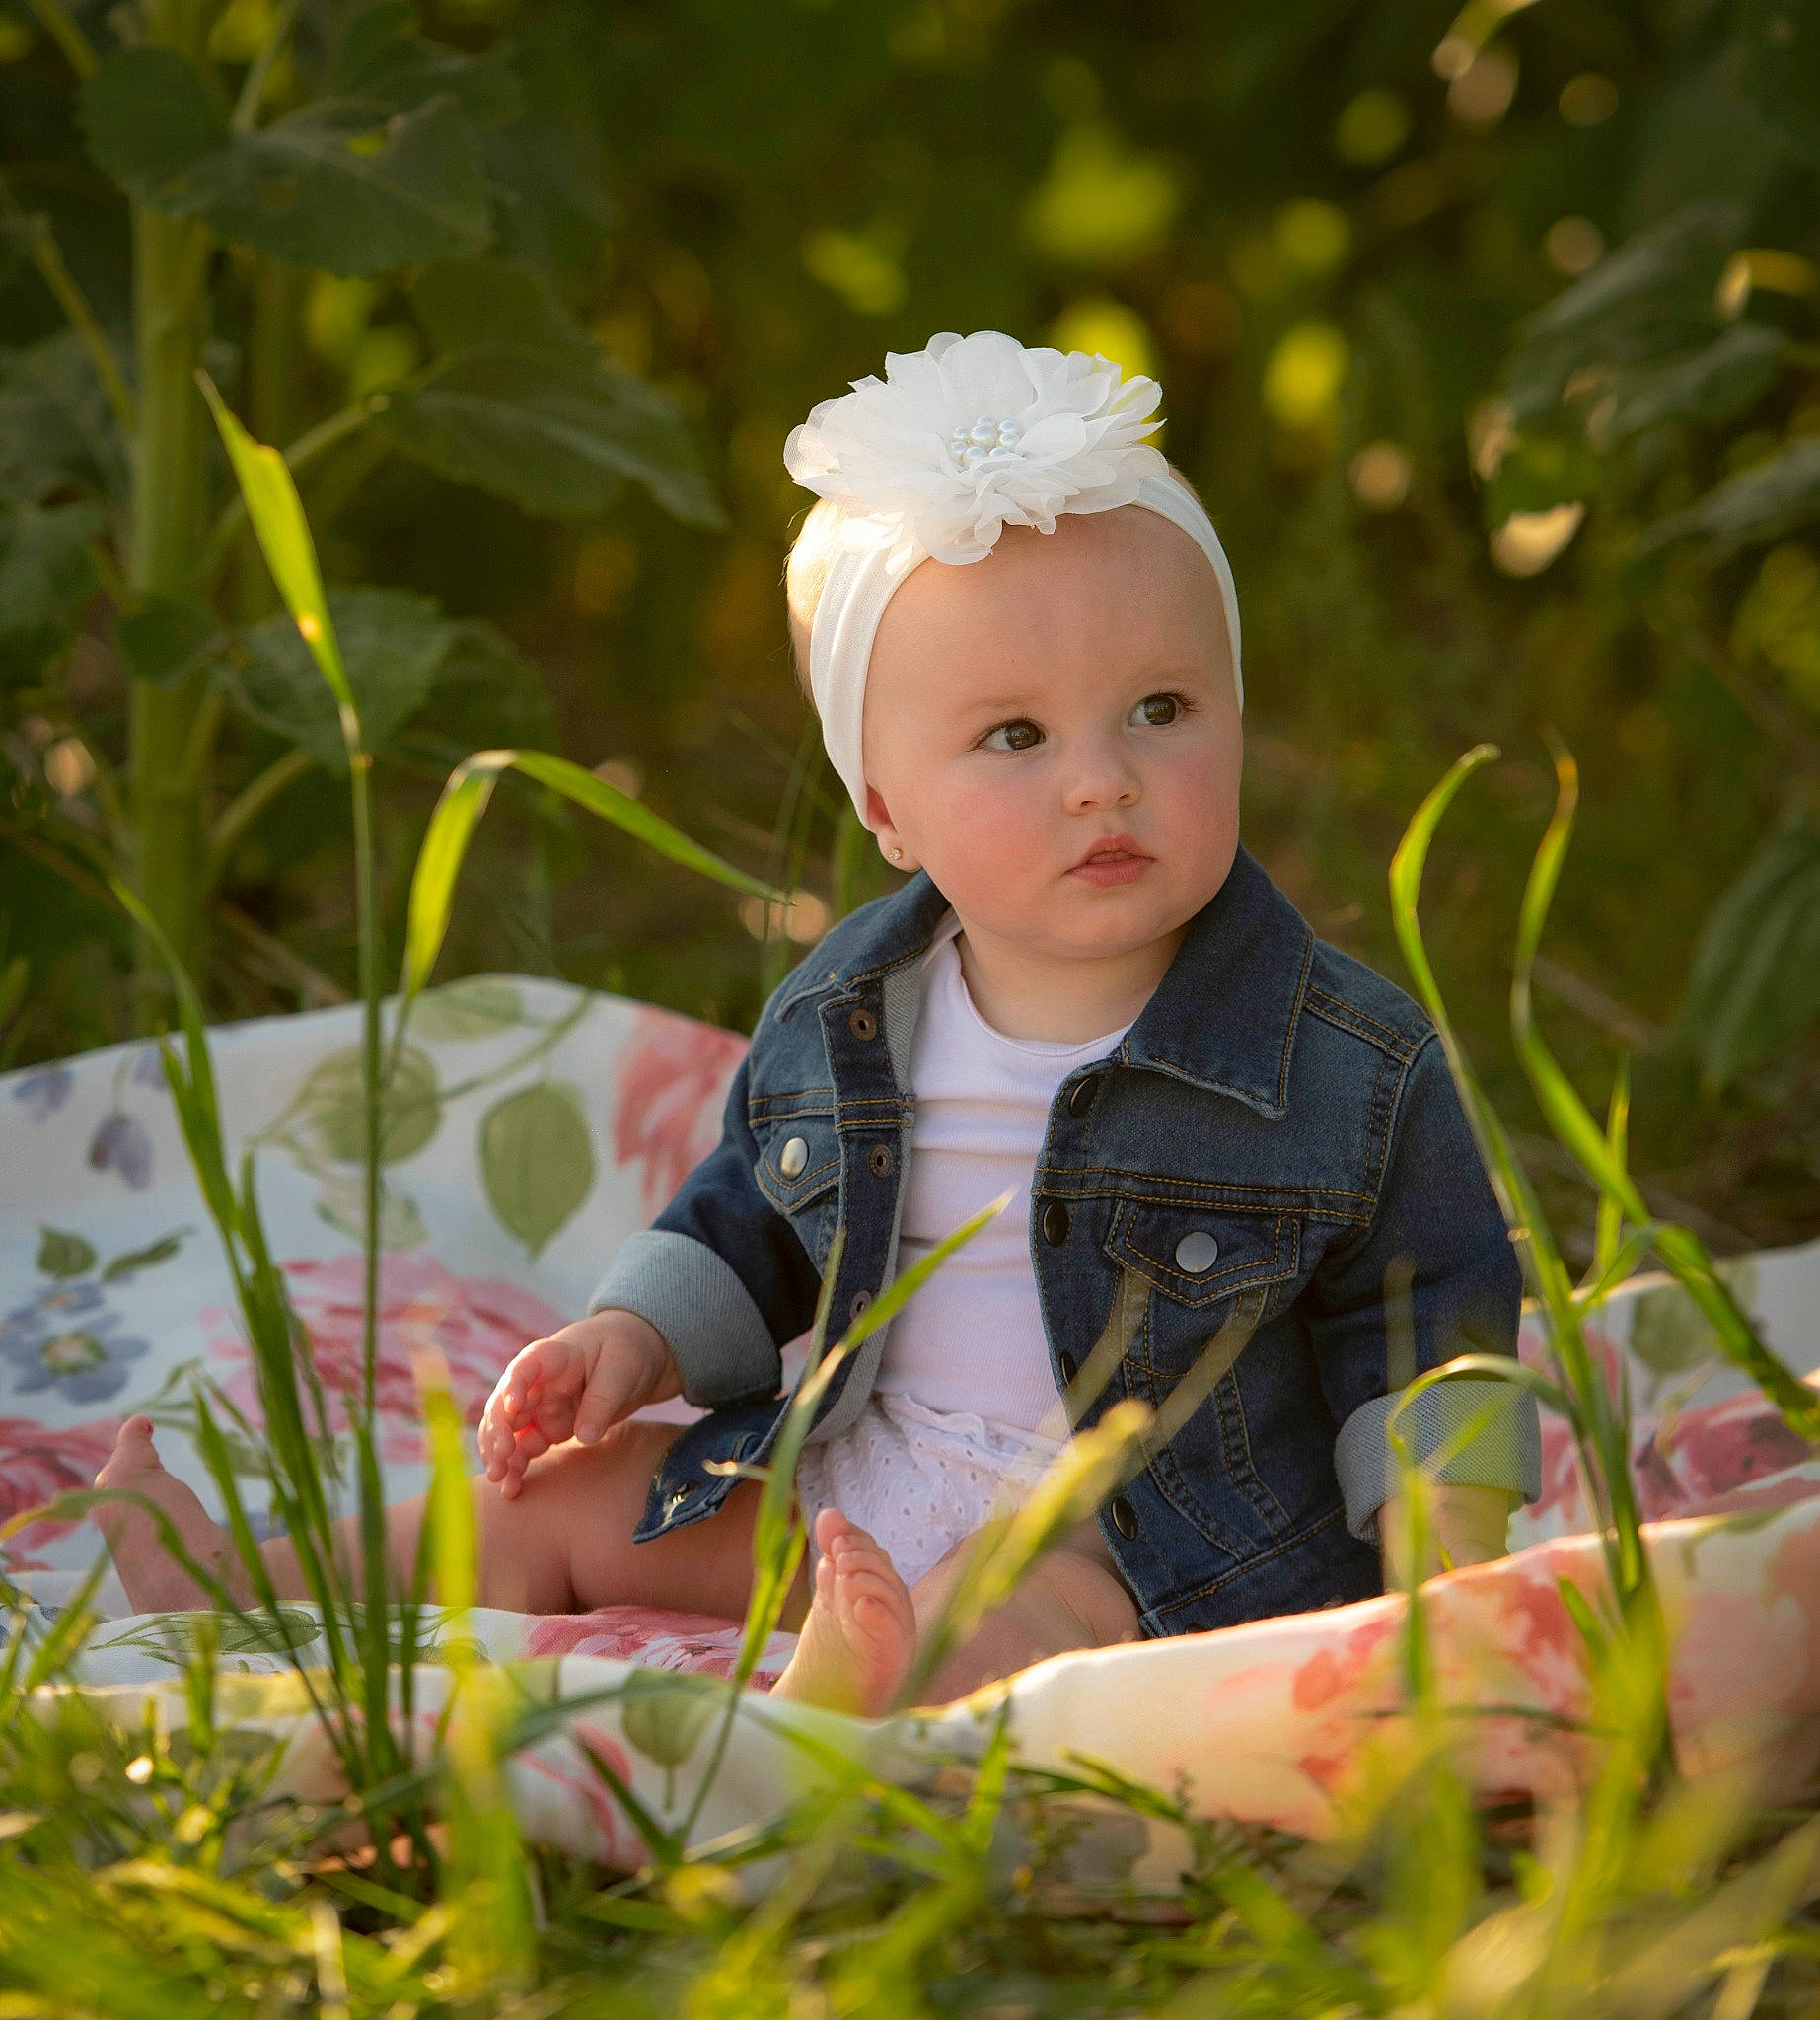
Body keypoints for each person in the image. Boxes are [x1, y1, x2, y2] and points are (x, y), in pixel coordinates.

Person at [96, 331, 1541, 1718]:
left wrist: (1442, 1558)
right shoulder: (856, 1007)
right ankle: (233, 1572)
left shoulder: (1343, 1061)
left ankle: (837, 1723)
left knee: (1023, 1607)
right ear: (883, 808)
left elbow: (1422, 1326)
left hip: (1148, 1532)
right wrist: (632, 1340)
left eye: (1160, 708)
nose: (1101, 780)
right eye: (1015, 736)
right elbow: (756, 1213)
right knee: (579, 1493)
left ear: (1236, 710)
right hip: (864, 1475)